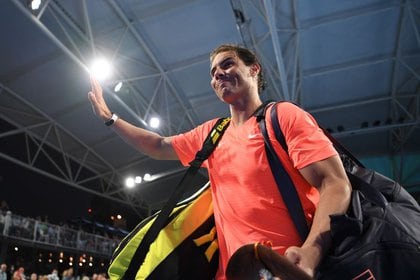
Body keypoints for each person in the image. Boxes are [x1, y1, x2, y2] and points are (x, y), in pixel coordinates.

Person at [88, 44, 351, 279]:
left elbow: (335, 184)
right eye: (213, 72)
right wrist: (110, 119)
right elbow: (157, 146)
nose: (218, 74)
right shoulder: (213, 134)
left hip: (287, 269)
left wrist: (310, 254)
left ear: (253, 69)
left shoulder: (282, 117)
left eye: (228, 64)